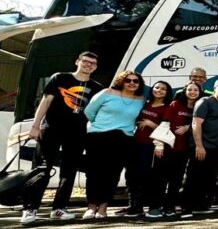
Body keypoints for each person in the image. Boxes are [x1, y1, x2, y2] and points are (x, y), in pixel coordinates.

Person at [21, 51, 103, 225]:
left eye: (92, 63)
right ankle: (30, 209)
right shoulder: (60, 78)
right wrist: (35, 127)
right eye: (85, 61)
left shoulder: (97, 88)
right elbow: (45, 102)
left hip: (78, 133)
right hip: (51, 129)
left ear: (95, 67)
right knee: (42, 168)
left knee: (69, 170)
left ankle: (59, 208)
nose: (88, 65)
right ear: (77, 62)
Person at [83, 70, 146, 219]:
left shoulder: (141, 100)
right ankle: (91, 207)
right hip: (98, 137)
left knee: (112, 175)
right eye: (128, 80)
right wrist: (100, 126)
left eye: (135, 81)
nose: (132, 83)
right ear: (121, 81)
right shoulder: (106, 93)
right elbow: (89, 112)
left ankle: (103, 207)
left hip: (124, 139)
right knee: (94, 173)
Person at [148, 81, 202, 218]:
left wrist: (188, 127)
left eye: (196, 90)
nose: (193, 92)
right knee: (160, 178)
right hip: (167, 147)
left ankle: (170, 207)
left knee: (176, 180)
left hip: (184, 150)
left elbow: (201, 124)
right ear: (185, 91)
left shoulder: (199, 107)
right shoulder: (175, 104)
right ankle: (154, 207)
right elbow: (164, 124)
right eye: (190, 89)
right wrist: (159, 144)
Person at [181, 78, 218, 218]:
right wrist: (199, 146)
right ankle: (186, 208)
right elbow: (196, 124)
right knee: (193, 178)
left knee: (209, 179)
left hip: (216, 149)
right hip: (200, 147)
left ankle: (200, 206)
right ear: (215, 88)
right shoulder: (205, 102)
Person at [128, 81, 173, 217]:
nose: (159, 90)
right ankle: (135, 206)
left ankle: (154, 206)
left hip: (152, 146)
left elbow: (166, 129)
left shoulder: (167, 107)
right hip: (136, 143)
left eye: (163, 89)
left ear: (167, 92)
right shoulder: (145, 104)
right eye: (157, 87)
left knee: (153, 177)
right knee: (133, 176)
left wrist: (150, 123)